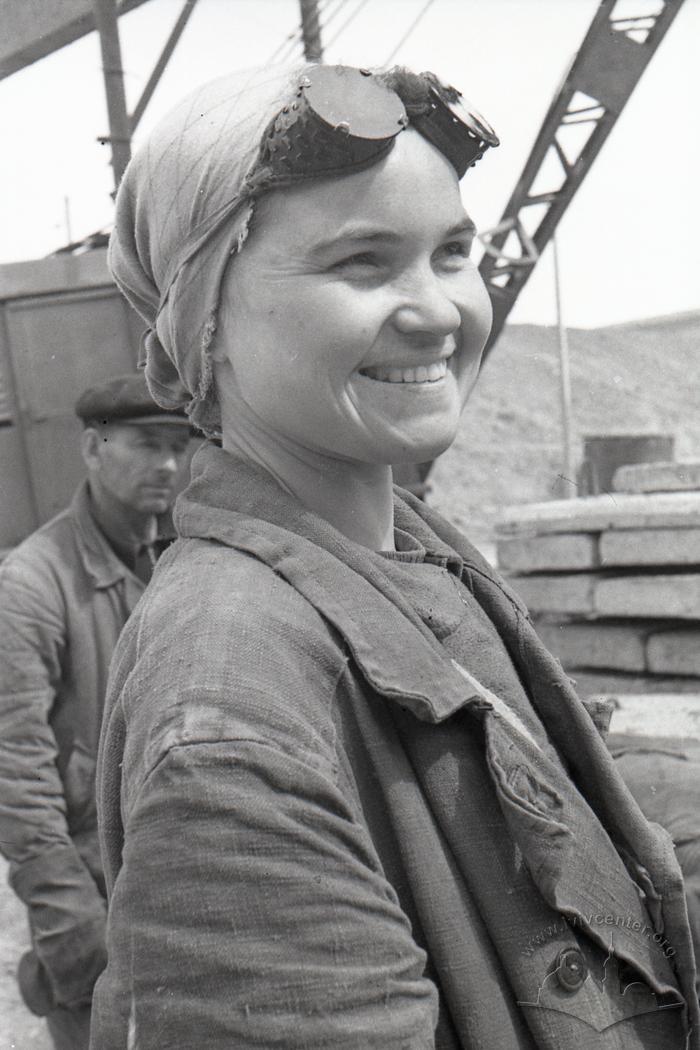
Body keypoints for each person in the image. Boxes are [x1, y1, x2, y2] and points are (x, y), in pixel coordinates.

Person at [94, 64, 699, 1049]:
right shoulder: (227, 713)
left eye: (453, 253)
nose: (438, 310)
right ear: (205, 321)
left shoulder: (415, 559)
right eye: (363, 265)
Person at [0, 372, 191, 1050]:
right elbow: (16, 775)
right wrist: (73, 934)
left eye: (179, 444)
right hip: (97, 892)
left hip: (185, 878)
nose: (168, 465)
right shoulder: (30, 586)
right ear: (91, 449)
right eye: (145, 444)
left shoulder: (186, 561)